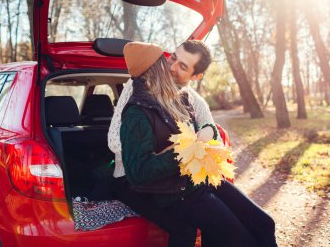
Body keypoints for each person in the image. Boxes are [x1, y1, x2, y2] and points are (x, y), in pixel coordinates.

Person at [109, 41, 277, 247]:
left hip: (189, 177)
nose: (172, 67)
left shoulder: (184, 97)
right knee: (234, 237)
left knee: (264, 224)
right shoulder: (137, 101)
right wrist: (175, 152)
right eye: (172, 59)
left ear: (195, 76)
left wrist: (208, 131)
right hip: (155, 184)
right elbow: (130, 156)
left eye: (183, 66)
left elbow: (207, 128)